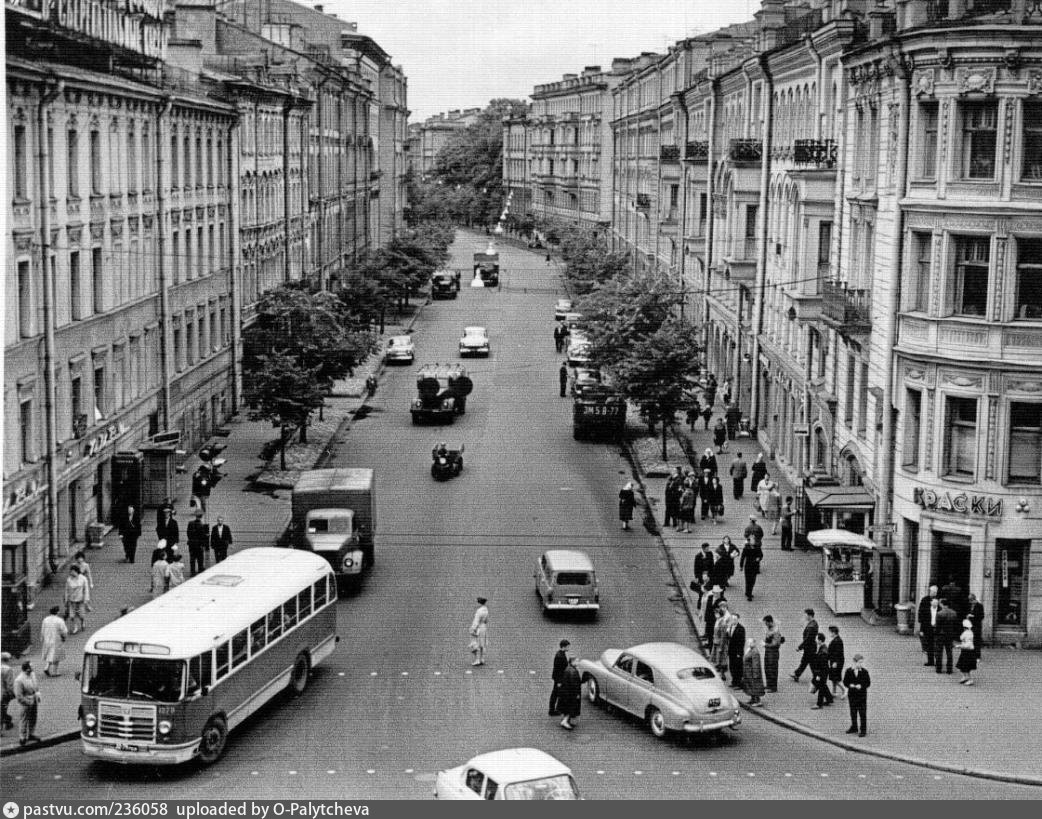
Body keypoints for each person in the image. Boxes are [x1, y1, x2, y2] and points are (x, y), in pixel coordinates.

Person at [13, 661, 40, 746]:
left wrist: (37, 694)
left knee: (33, 718)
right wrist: (28, 702)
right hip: (25, 703)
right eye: (31, 666)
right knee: (24, 720)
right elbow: (18, 696)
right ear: (27, 669)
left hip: (34, 699)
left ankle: (31, 733)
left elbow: (35, 686)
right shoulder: (19, 680)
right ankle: (22, 737)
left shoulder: (32, 675)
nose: (33, 668)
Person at [843, 654, 871, 736]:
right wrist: (849, 685)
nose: (861, 664)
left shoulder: (865, 672)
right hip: (852, 696)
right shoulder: (849, 671)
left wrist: (861, 686)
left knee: (862, 713)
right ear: (854, 662)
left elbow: (868, 683)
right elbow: (845, 682)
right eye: (859, 662)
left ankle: (863, 730)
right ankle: (854, 727)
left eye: (862, 662)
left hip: (861, 696)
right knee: (853, 712)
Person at [40, 606, 68, 678]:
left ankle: (47, 667)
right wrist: (64, 637)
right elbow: (64, 631)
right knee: (56, 655)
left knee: (49, 654)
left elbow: (42, 629)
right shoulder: (59, 620)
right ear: (57, 612)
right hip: (56, 639)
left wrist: (42, 638)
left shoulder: (45, 619)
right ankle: (55, 672)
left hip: (47, 639)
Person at [792, 608, 819, 682]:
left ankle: (817, 677)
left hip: (809, 647)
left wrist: (799, 647)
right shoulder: (814, 623)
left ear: (809, 615)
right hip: (811, 647)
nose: (805, 617)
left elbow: (807, 639)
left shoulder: (811, 626)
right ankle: (797, 674)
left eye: (805, 615)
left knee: (811, 663)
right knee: (805, 661)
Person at [63, 564, 90, 635]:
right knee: (72, 615)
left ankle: (82, 622)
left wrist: (86, 599)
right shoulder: (69, 579)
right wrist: (66, 599)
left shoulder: (83, 578)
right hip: (72, 601)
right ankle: (75, 627)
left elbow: (86, 589)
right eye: (71, 572)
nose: (71, 573)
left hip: (80, 600)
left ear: (76, 571)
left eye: (72, 571)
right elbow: (66, 590)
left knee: (81, 614)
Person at [810, 633, 834, 709]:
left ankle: (819, 704)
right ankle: (829, 699)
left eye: (817, 639)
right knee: (823, 685)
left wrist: (818, 676)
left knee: (821, 686)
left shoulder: (823, 652)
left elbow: (822, 665)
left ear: (820, 640)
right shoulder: (823, 648)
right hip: (823, 671)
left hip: (822, 672)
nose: (816, 640)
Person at [934, 599, 958, 674]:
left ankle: (939, 669)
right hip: (950, 634)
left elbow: (938, 626)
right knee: (949, 652)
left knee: (939, 652)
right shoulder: (954, 613)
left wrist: (936, 633)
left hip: (941, 635)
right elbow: (955, 625)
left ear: (942, 604)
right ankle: (949, 669)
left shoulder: (939, 613)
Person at [558, 656, 582, 730]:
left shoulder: (568, 669)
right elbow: (574, 684)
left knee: (567, 708)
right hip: (571, 694)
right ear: (573, 662)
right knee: (571, 708)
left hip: (566, 693)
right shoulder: (573, 671)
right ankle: (565, 721)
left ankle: (565, 720)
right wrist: (577, 694)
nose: (578, 662)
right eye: (577, 661)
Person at [918, 585, 939, 666]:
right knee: (930, 644)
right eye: (932, 591)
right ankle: (931, 661)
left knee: (936, 645)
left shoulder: (938, 600)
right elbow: (921, 612)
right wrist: (921, 626)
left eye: (935, 592)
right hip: (927, 625)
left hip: (935, 625)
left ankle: (937, 660)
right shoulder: (925, 600)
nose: (933, 593)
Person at [762, 616, 784, 692]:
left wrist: (765, 644)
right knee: (767, 668)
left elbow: (775, 643)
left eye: (766, 623)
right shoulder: (769, 628)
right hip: (768, 651)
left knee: (772, 669)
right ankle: (769, 684)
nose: (765, 625)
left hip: (773, 652)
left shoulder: (775, 630)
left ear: (770, 622)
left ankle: (773, 687)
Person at [548, 639, 570, 716]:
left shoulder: (561, 654)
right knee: (555, 694)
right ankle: (552, 710)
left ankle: (555, 709)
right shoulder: (560, 656)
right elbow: (558, 670)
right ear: (564, 646)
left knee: (557, 693)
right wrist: (559, 682)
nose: (569, 648)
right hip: (559, 679)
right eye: (568, 646)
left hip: (559, 678)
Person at [742, 638, 766, 706]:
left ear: (754, 643)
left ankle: (757, 701)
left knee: (755, 686)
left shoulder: (755, 651)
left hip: (752, 672)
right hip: (748, 672)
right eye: (748, 642)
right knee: (750, 685)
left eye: (751, 642)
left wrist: (756, 674)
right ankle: (752, 699)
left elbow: (756, 664)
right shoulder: (750, 649)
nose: (749, 644)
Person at [710, 608, 732, 680]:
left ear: (720, 614)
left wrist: (721, 647)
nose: (715, 615)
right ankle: (719, 672)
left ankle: (722, 675)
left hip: (720, 644)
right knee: (717, 659)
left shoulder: (723, 623)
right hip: (716, 642)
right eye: (715, 613)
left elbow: (723, 636)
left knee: (721, 660)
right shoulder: (717, 621)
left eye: (716, 613)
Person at [827, 625, 847, 698]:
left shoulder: (837, 641)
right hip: (835, 662)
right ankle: (834, 691)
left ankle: (844, 690)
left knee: (836, 678)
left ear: (834, 632)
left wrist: (835, 662)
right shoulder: (837, 640)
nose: (830, 634)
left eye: (830, 632)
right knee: (833, 677)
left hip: (836, 663)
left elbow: (838, 653)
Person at [187, 511, 209, 576]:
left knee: (192, 558)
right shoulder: (202, 525)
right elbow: (202, 536)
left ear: (196, 516)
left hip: (191, 544)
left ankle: (192, 571)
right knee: (200, 558)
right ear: (201, 517)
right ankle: (200, 569)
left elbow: (188, 533)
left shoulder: (190, 523)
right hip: (199, 545)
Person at [727, 613, 746, 689]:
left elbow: (742, 641)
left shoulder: (741, 628)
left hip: (737, 652)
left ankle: (739, 683)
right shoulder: (731, 627)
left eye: (735, 619)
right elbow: (729, 639)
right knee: (732, 666)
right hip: (731, 651)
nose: (733, 621)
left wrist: (739, 653)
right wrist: (727, 633)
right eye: (732, 619)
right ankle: (734, 681)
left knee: (738, 667)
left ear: (738, 619)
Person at [956, 619, 977, 685]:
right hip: (966, 651)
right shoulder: (969, 632)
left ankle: (970, 679)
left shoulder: (967, 633)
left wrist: (959, 646)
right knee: (962, 666)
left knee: (966, 667)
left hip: (967, 652)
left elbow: (968, 645)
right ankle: (965, 677)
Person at [470, 597, 489, 666]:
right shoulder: (486, 610)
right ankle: (482, 659)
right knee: (482, 644)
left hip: (479, 628)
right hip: (484, 627)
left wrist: (473, 629)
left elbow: (476, 621)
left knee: (476, 643)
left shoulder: (479, 611)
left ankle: (477, 660)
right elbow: (486, 620)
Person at [967, 593, 984, 662]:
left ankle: (977, 656)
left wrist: (972, 616)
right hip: (970, 625)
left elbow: (982, 616)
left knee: (977, 641)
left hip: (977, 626)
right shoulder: (970, 605)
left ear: (974, 599)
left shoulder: (980, 606)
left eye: (971, 601)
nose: (970, 602)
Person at [1, 652, 15, 731]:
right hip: (4, 693)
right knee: (3, 708)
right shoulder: (8, 669)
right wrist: (12, 693)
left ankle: (7, 719)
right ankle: (6, 722)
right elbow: (10, 684)